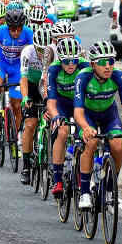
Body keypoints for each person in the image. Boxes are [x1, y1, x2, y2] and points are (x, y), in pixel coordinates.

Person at [72, 40, 122, 210]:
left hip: (109, 115)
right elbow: (78, 112)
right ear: (93, 64)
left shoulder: (119, 76)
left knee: (117, 145)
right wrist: (86, 127)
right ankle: (85, 193)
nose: (108, 66)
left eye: (111, 61)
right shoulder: (83, 77)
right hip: (88, 116)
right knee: (92, 142)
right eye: (103, 62)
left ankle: (110, 188)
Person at [0, 9, 33, 153]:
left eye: (19, 29)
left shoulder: (29, 33)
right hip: (0, 63)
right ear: (7, 26)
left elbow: (33, 55)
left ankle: (14, 137)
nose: (16, 33)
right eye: (12, 29)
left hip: (17, 67)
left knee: (17, 105)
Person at [45, 38, 89, 198]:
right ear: (60, 60)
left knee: (85, 136)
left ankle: (82, 173)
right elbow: (51, 101)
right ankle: (57, 180)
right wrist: (56, 116)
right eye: (66, 61)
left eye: (74, 60)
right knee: (62, 132)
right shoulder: (54, 69)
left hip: (80, 103)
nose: (71, 64)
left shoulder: (85, 66)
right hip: (61, 103)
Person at [18, 25, 55, 184]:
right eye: (40, 50)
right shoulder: (27, 52)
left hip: (48, 85)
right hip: (33, 86)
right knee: (30, 124)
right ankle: (26, 166)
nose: (43, 54)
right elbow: (24, 78)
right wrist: (26, 97)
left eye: (45, 50)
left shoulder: (55, 53)